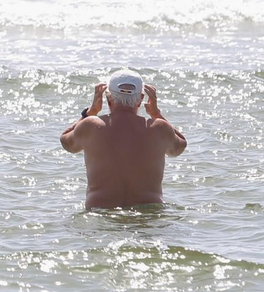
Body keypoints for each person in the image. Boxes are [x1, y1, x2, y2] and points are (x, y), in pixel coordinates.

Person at [59, 69, 186, 209]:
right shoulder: (160, 128)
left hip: (101, 212)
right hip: (146, 215)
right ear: (141, 99)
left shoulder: (90, 125)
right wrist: (157, 114)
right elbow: (179, 146)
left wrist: (89, 113)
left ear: (108, 98)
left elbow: (67, 142)